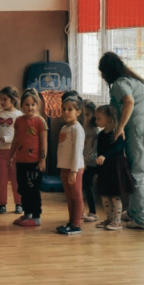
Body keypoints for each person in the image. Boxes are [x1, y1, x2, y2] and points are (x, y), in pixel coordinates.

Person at [99, 52, 144, 230]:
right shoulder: (136, 81)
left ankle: (142, 219)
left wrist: (120, 127)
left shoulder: (120, 83)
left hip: (140, 129)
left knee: (137, 174)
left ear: (107, 71)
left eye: (102, 72)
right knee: (141, 174)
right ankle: (134, 212)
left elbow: (129, 102)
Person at [9, 88, 47, 228]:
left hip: (35, 163)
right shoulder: (18, 120)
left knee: (33, 190)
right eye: (26, 104)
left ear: (37, 105)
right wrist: (10, 156)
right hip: (21, 162)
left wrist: (42, 160)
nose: (30, 107)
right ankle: (27, 214)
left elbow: (44, 142)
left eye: (33, 104)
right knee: (23, 189)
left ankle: (36, 217)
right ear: (22, 105)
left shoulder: (40, 122)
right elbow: (16, 140)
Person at [94, 105, 134, 231]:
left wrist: (104, 156)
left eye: (99, 118)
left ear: (110, 119)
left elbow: (117, 149)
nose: (96, 121)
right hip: (105, 168)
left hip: (116, 168)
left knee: (114, 195)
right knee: (105, 195)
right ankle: (110, 218)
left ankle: (117, 221)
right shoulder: (101, 135)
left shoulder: (118, 133)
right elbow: (99, 151)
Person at [56, 95, 86, 236]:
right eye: (64, 109)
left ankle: (76, 225)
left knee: (76, 197)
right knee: (69, 197)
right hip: (65, 168)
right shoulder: (65, 127)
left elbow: (77, 151)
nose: (66, 112)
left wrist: (74, 171)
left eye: (70, 109)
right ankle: (71, 222)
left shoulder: (77, 129)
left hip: (74, 169)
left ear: (78, 112)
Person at [0, 86, 23, 215]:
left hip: (15, 152)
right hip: (0, 152)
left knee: (16, 180)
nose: (2, 102)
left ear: (13, 99)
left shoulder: (19, 115)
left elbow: (20, 135)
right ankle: (2, 203)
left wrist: (8, 139)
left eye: (5, 99)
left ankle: (19, 203)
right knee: (1, 180)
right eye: (1, 99)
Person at [81, 100, 99, 223]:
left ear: (93, 114)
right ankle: (81, 210)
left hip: (91, 163)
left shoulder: (95, 130)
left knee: (88, 186)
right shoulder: (81, 127)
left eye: (87, 114)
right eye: (83, 114)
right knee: (81, 187)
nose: (85, 117)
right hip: (81, 162)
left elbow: (94, 149)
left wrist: (86, 160)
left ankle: (93, 212)